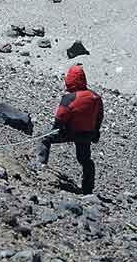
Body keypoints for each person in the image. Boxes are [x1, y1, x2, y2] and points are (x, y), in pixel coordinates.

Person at [39, 64, 103, 194]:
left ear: (69, 80)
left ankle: (40, 166)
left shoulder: (69, 98)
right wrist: (96, 132)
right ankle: (87, 188)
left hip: (69, 132)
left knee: (44, 139)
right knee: (85, 160)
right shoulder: (95, 97)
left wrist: (56, 130)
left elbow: (60, 118)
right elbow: (99, 116)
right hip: (87, 134)